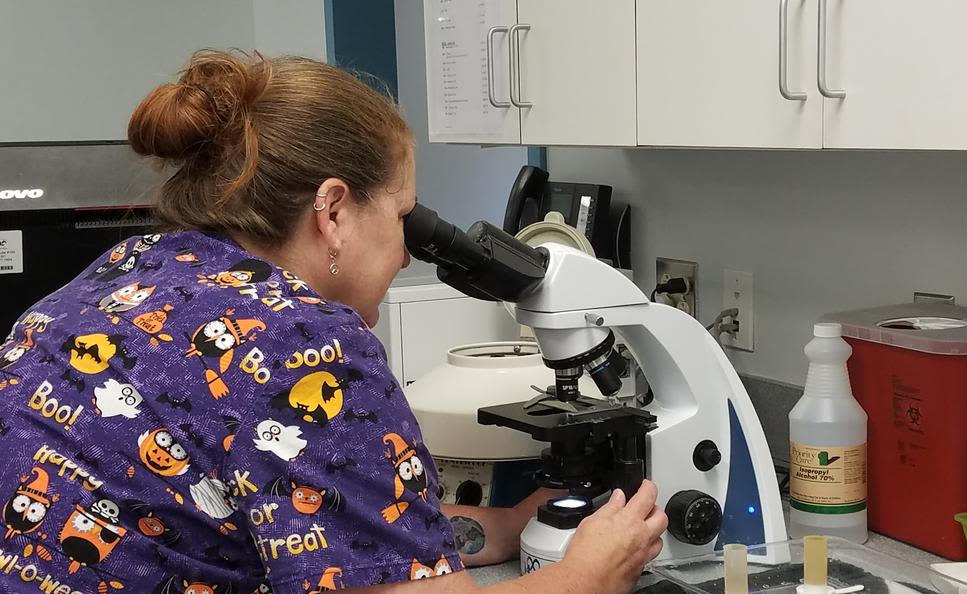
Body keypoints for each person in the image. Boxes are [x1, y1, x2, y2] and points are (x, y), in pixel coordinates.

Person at [0, 50, 667, 594]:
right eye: (402, 216)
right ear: (333, 212)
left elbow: (292, 509)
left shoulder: (121, 274)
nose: (408, 250)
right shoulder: (304, 340)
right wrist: (590, 572)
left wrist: (505, 524)